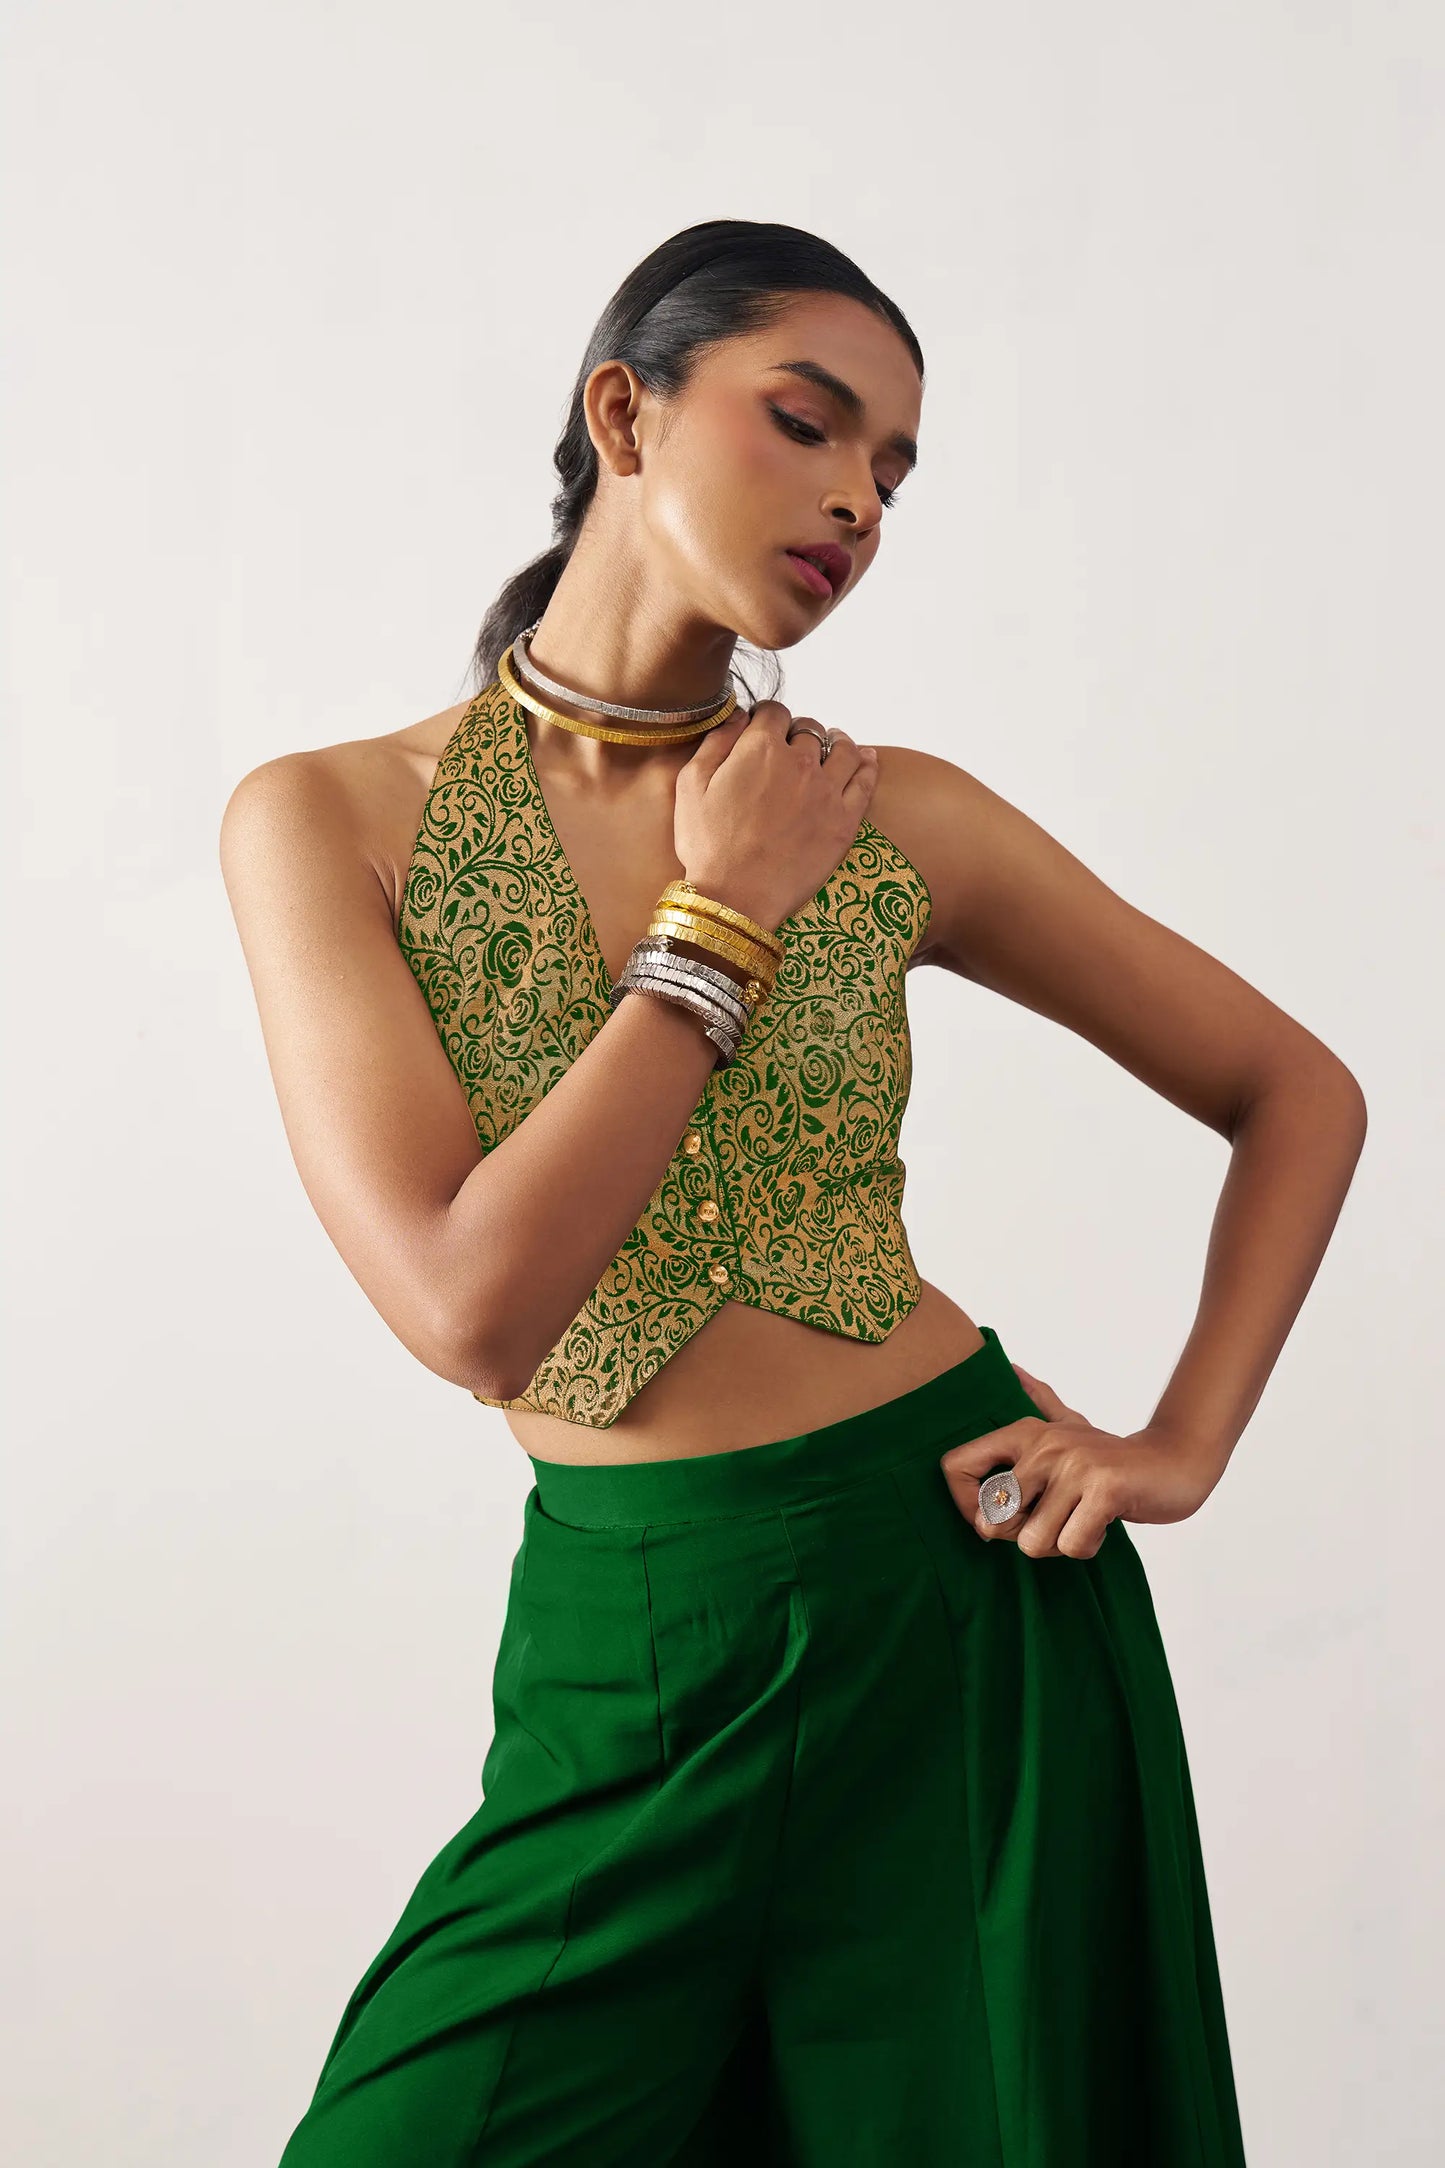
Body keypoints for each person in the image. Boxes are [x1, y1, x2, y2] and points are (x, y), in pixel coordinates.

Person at [221, 218, 1366, 2166]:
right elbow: (469, 1309)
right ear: (626, 414)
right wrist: (719, 916)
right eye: (809, 423)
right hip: (631, 1643)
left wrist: (1180, 1441)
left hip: (961, 1611)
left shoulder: (893, 815)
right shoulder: (329, 818)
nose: (856, 500)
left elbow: (1295, 1092)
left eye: (894, 474)